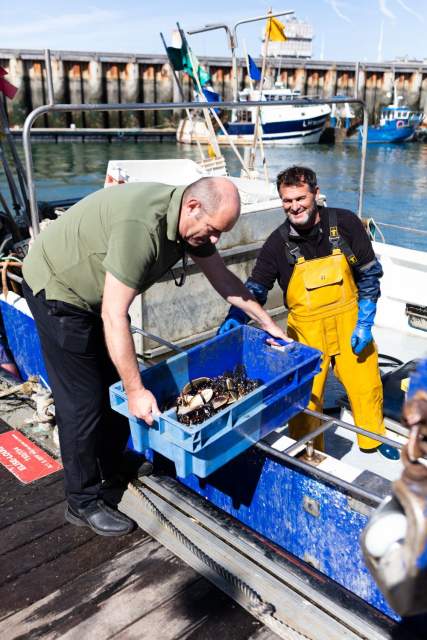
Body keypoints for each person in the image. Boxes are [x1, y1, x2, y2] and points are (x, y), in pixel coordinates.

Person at [22, 177, 288, 537]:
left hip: (97, 295)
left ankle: (113, 463)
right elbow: (115, 316)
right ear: (193, 206)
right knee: (83, 401)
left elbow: (224, 279)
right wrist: (135, 391)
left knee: (112, 382)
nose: (213, 242)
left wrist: (268, 323)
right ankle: (81, 501)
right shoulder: (143, 230)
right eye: (212, 231)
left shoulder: (186, 222)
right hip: (58, 289)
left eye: (219, 234)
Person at [219, 166, 398, 460]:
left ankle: (374, 437)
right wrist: (235, 316)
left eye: (300, 198)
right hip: (306, 335)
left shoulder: (346, 223)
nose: (295, 206)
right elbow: (256, 287)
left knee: (366, 384)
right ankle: (306, 451)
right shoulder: (277, 243)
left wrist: (365, 320)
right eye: (287, 201)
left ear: (315, 194)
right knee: (303, 399)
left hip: (351, 324)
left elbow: (368, 273)